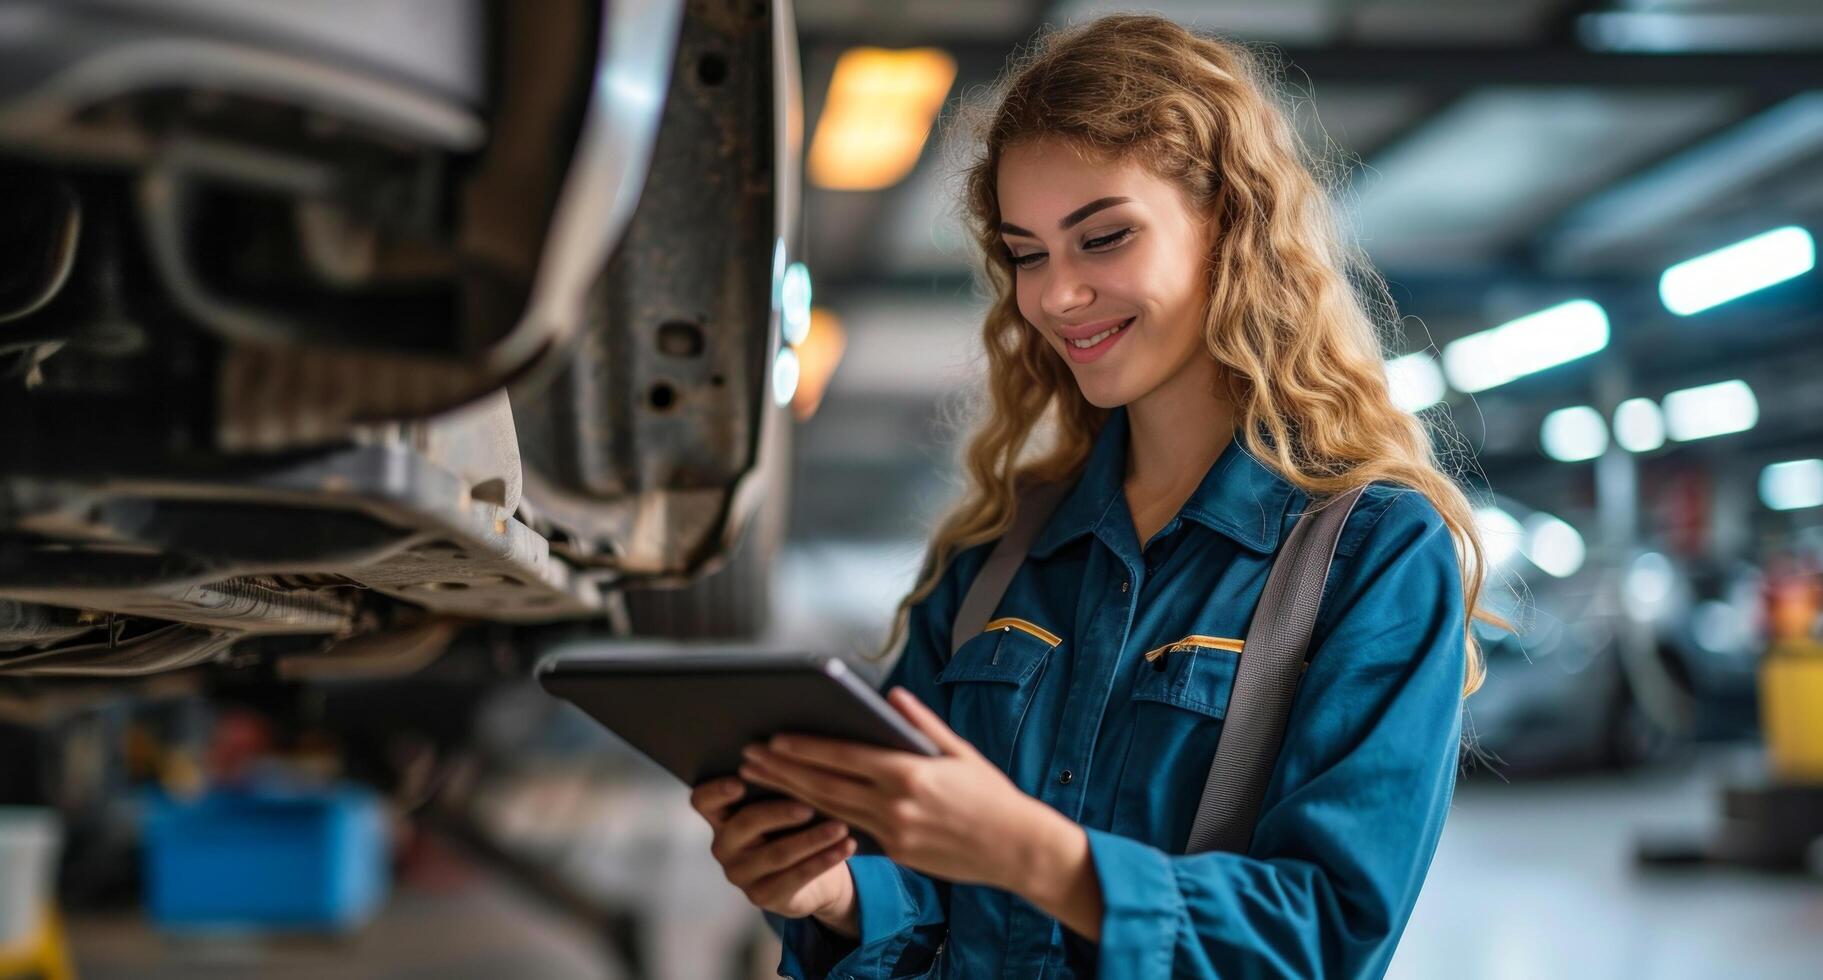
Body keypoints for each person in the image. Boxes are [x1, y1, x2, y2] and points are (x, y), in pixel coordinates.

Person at [691, 13, 1502, 978]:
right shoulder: (998, 555)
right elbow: (907, 879)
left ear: (1231, 228)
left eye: (1103, 238)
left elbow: (1324, 934)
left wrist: (1030, 854)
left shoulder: (1371, 553)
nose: (1056, 296)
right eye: (1028, 254)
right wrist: (829, 893)